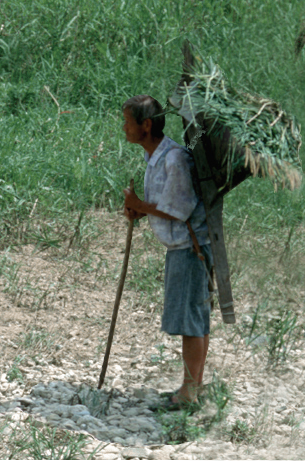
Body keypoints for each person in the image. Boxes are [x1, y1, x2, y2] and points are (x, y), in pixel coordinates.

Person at [120, 94, 212, 410]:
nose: (124, 128)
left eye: (128, 122)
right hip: (180, 249)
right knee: (192, 319)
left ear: (146, 125)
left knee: (191, 322)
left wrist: (138, 205)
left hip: (190, 249)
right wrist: (141, 211)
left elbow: (179, 209)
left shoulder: (174, 159)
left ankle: (189, 393)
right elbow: (166, 204)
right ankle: (193, 387)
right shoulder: (155, 158)